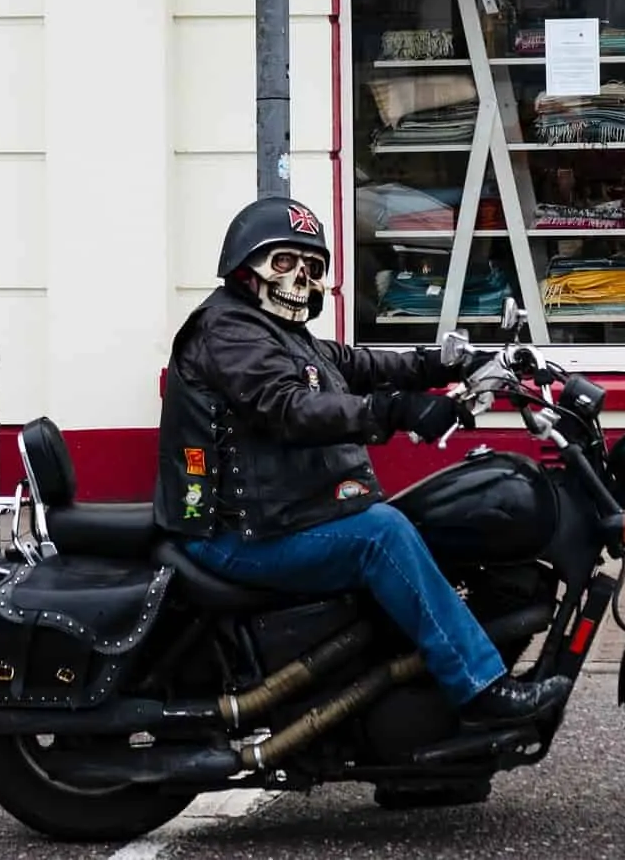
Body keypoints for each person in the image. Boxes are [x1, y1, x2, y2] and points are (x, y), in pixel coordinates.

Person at [153, 195, 570, 753]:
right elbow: (287, 406)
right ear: (244, 267)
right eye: (284, 261)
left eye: (313, 266)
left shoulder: (278, 331)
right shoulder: (229, 331)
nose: (300, 277)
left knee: (403, 523)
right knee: (383, 534)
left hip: (281, 516)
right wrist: (393, 412)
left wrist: (443, 364)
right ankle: (478, 686)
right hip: (237, 532)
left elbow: (354, 364)